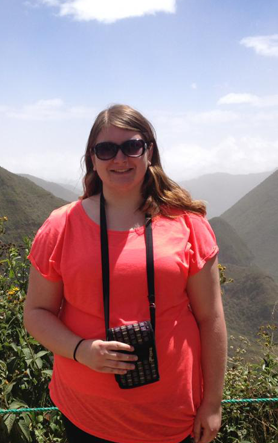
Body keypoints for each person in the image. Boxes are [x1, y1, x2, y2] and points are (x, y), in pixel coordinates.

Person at [24, 104, 227, 443]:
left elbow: (211, 317)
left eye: (132, 146)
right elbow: (36, 313)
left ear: (149, 151)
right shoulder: (60, 226)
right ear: (93, 158)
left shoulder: (188, 224)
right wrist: (81, 350)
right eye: (106, 149)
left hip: (173, 415)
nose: (119, 158)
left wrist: (213, 403)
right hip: (85, 415)